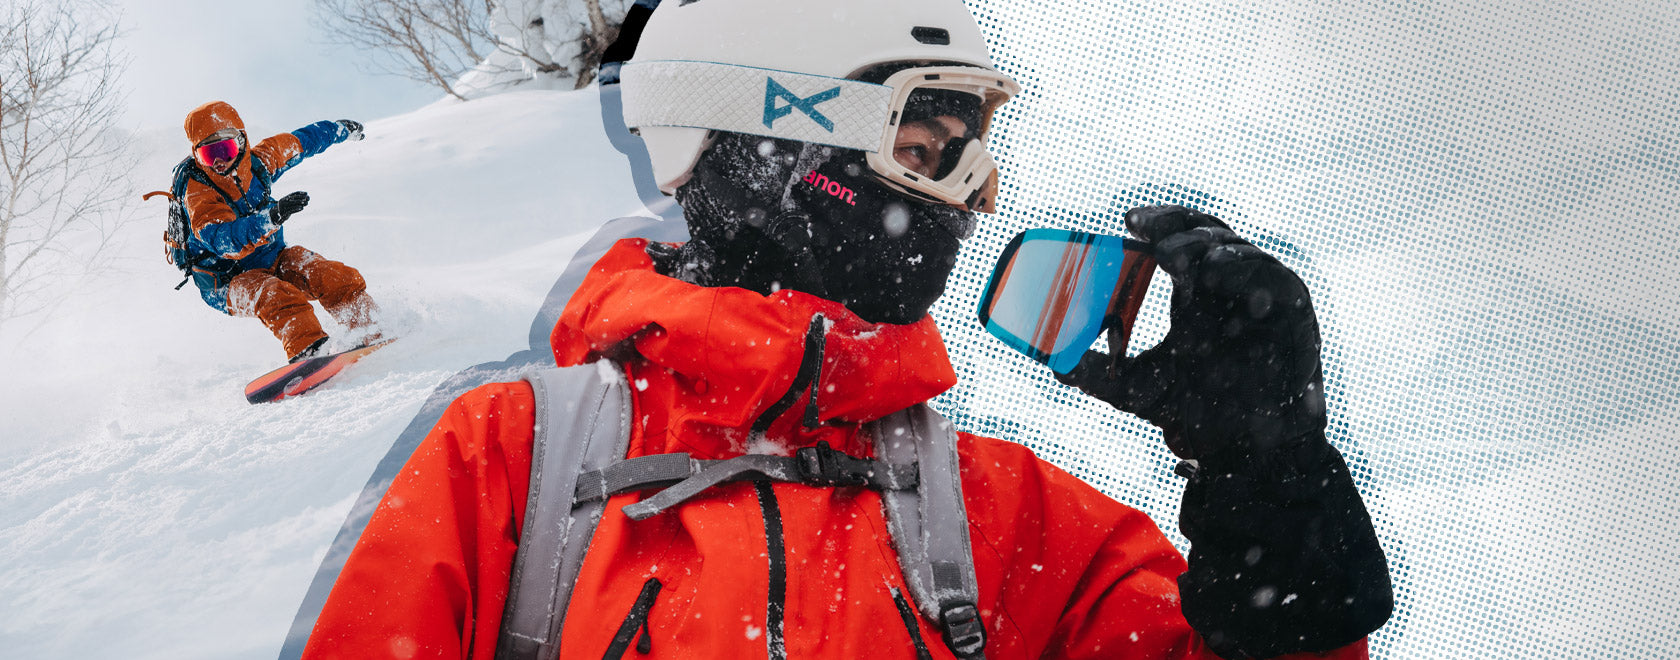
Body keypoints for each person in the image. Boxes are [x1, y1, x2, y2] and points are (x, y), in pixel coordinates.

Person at [301, 1, 1392, 658]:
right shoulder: (513, 463)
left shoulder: (1000, 516)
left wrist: (1266, 479)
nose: (970, 203)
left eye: (971, 161)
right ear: (772, 134)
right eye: (924, 150)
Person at [177, 101, 378, 361]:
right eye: (207, 155)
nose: (217, 162)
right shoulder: (197, 193)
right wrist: (270, 218)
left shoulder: (259, 163)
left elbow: (301, 142)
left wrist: (340, 130)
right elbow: (223, 240)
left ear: (241, 142)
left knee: (325, 273)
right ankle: (309, 351)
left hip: (273, 257)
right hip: (226, 281)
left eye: (224, 150)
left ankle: (369, 324)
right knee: (276, 295)